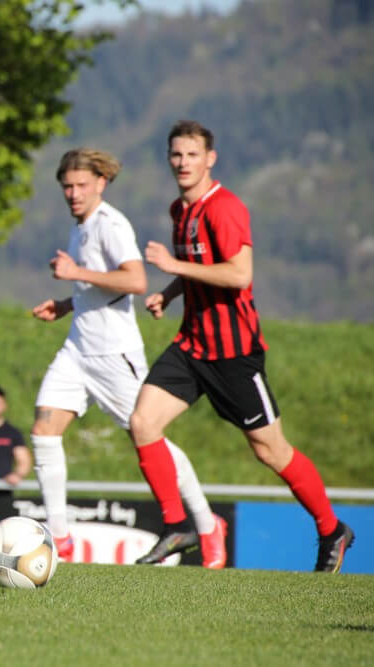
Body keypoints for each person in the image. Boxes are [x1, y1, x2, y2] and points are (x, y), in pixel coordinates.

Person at [132, 120, 353, 572]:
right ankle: (177, 526)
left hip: (234, 354)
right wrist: (170, 292)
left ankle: (332, 529)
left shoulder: (224, 207)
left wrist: (171, 265)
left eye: (192, 155)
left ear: (210, 159)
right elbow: (198, 265)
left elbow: (238, 274)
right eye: (176, 154)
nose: (183, 162)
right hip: (192, 347)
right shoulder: (180, 209)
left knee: (270, 450)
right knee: (143, 422)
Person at [30, 147, 227, 568]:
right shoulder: (79, 228)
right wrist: (68, 303)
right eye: (67, 186)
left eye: (82, 185)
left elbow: (135, 280)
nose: (73, 193)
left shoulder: (111, 223)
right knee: (45, 429)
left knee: (150, 437)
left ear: (101, 183)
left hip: (114, 356)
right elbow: (104, 286)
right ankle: (59, 538)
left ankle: (208, 524)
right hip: (78, 348)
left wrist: (76, 274)